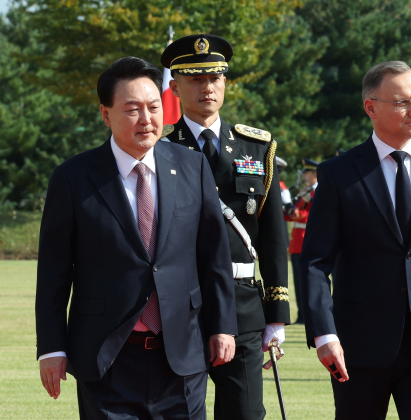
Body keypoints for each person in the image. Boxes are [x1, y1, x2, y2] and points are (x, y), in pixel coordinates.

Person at [35, 57, 237, 419]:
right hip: (107, 356)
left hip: (182, 355)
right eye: (132, 109)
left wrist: (222, 325)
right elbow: (53, 271)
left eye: (153, 107)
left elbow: (214, 256)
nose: (147, 119)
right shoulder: (74, 177)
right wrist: (51, 348)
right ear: (105, 114)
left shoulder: (192, 166)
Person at [300, 61, 411, 420]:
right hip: (358, 347)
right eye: (403, 102)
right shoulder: (339, 173)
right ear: (371, 107)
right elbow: (315, 263)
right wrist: (324, 336)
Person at [160, 34, 290, 420]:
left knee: (247, 414)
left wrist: (277, 314)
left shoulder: (256, 147)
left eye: (214, 78)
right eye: (196, 79)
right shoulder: (160, 148)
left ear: (225, 83)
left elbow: (271, 235)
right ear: (175, 86)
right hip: (182, 304)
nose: (207, 88)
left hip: (243, 307)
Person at [284, 158, 319, 324]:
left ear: (315, 174)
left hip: (309, 242)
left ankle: (311, 315)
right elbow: (290, 215)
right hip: (297, 243)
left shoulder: (318, 193)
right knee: (298, 282)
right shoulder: (306, 192)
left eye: (307, 172)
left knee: (309, 282)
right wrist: (286, 206)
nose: (304, 175)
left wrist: (297, 212)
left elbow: (315, 216)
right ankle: (301, 315)